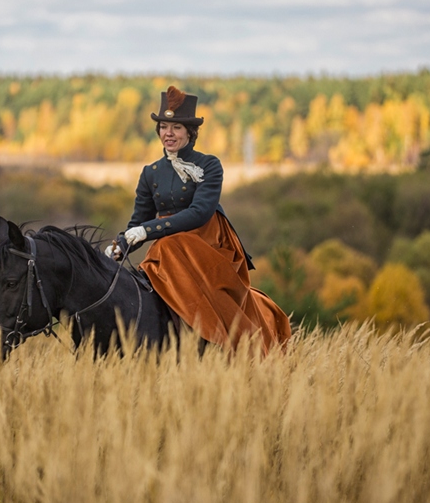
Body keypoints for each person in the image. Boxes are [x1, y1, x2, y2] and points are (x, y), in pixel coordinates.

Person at [106, 86, 291, 356]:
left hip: (207, 237)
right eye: (164, 126)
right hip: (171, 241)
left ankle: (222, 336)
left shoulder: (209, 165)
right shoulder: (150, 173)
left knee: (166, 248)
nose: (168, 133)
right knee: (162, 252)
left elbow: (199, 213)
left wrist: (147, 231)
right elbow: (139, 220)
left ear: (190, 132)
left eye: (176, 127)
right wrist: (120, 245)